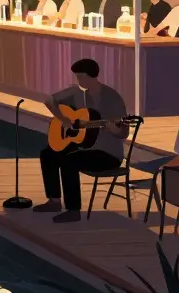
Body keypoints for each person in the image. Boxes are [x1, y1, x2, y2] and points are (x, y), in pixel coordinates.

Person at [36, 58, 129, 223]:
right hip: (82, 146)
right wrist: (63, 119)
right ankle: (54, 201)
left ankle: (73, 210)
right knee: (47, 154)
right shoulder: (77, 93)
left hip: (107, 153)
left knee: (69, 160)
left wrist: (114, 129)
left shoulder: (111, 97)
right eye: (77, 77)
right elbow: (49, 101)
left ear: (92, 76)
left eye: (81, 77)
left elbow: (123, 133)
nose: (78, 80)